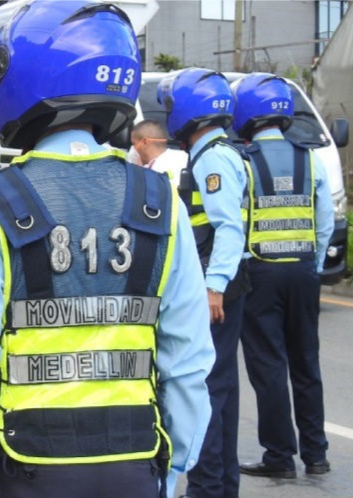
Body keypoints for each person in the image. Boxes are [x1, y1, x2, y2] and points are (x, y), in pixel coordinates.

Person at [0, 2, 214, 497]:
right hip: (136, 466)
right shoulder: (161, 202)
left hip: (26, 469)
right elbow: (187, 358)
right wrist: (173, 467)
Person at [233, 73, 335, 480]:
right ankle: (316, 455)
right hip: (304, 271)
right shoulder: (310, 159)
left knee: (269, 366)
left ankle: (279, 456)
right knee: (306, 363)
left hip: (261, 273)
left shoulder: (243, 161)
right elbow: (324, 222)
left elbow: (236, 223)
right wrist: (314, 266)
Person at [158, 67, 251, 498]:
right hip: (225, 280)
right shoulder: (218, 152)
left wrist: (214, 286)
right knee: (221, 389)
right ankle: (221, 487)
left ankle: (207, 487)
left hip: (216, 283)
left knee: (205, 389)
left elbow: (228, 227)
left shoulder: (212, 157)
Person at [130, 119, 186, 187]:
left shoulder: (153, 173)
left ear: (145, 143)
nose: (133, 149)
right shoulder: (185, 157)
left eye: (134, 144)